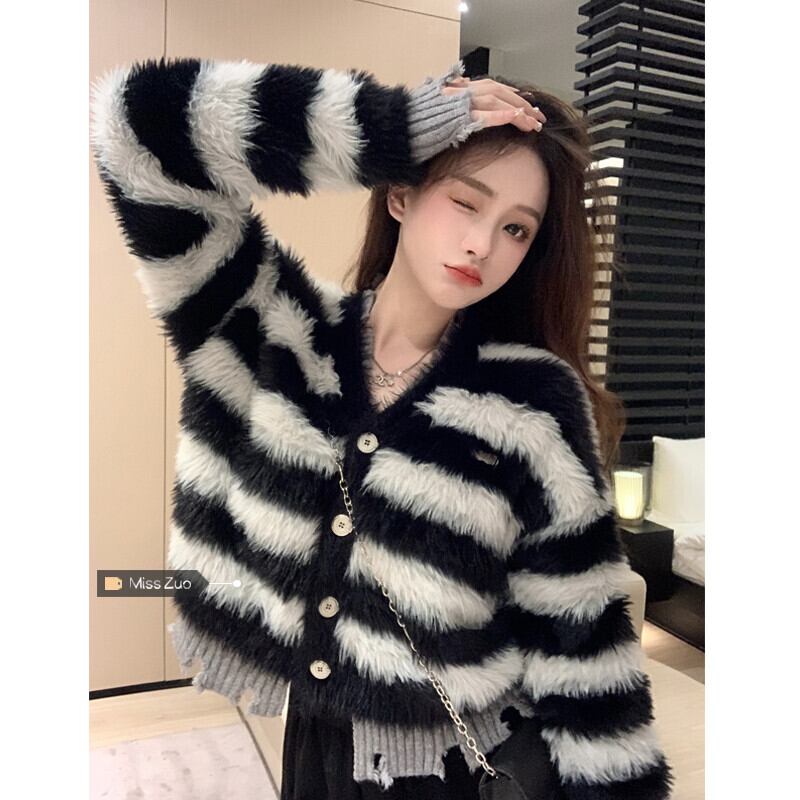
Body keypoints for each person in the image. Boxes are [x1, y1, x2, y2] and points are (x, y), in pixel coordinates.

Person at [90, 55, 674, 799]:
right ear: (401, 191)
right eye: (465, 202)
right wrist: (392, 126)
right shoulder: (275, 327)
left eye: (516, 228)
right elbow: (138, 128)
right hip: (315, 743)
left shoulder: (533, 400)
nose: (482, 244)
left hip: (451, 766)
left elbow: (581, 631)